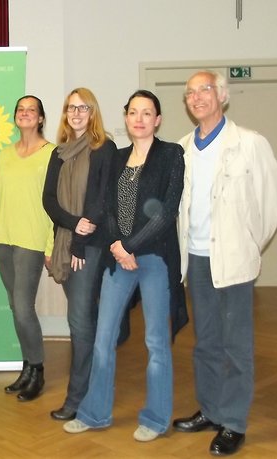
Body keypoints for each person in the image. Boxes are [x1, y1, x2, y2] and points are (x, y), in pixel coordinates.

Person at [63, 90, 184, 442]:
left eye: (147, 113)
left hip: (156, 258)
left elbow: (166, 212)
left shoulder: (171, 154)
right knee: (104, 338)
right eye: (133, 112)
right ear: (126, 117)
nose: (139, 119)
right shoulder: (117, 157)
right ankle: (95, 413)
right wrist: (118, 245)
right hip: (118, 258)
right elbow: (108, 207)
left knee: (155, 342)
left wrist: (130, 245)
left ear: (157, 119)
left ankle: (156, 419)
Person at [172, 71, 277, 456]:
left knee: (236, 345)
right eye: (190, 93)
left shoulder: (249, 143)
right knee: (206, 341)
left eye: (204, 89)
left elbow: (270, 205)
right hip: (196, 259)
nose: (197, 97)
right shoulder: (183, 148)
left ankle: (233, 422)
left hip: (233, 261)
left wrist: (248, 245)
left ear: (222, 95)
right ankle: (211, 410)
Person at [42, 88, 116, 420]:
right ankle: (95, 386)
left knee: (79, 322)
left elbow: (102, 199)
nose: (76, 113)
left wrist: (79, 241)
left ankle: (78, 398)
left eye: (83, 107)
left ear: (92, 112)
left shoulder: (104, 148)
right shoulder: (58, 153)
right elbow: (48, 200)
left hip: (90, 247)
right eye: (71, 108)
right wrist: (73, 226)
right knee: (84, 320)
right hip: (67, 240)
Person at [0, 95, 55, 402]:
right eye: (21, 110)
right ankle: (27, 367)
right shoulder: (5, 154)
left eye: (32, 110)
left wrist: (50, 245)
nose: (25, 114)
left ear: (40, 118)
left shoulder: (52, 153)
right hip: (5, 239)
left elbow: (56, 202)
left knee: (24, 307)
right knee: (16, 307)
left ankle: (37, 370)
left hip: (32, 240)